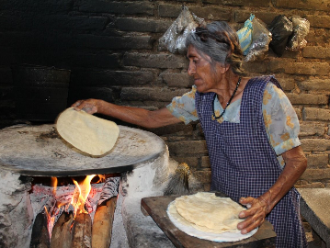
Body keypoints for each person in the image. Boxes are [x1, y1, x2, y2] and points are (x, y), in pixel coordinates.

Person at [73, 21, 307, 247]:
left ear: (223, 62)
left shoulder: (265, 97)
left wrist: (265, 203)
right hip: (225, 213)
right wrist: (101, 106)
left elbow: (297, 161)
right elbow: (151, 118)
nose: (189, 70)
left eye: (195, 61)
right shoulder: (201, 99)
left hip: (271, 213)